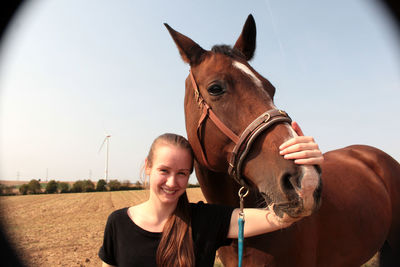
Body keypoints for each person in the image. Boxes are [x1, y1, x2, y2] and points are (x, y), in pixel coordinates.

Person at [99, 122, 323, 267]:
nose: (172, 182)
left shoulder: (206, 220)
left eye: (182, 173)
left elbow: (281, 217)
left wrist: (305, 170)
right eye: (164, 171)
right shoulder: (117, 224)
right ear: (148, 166)